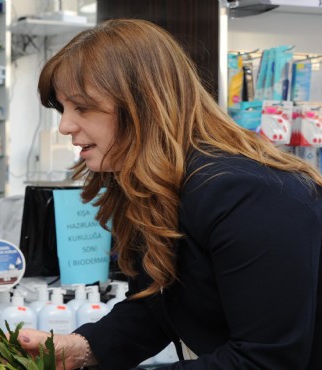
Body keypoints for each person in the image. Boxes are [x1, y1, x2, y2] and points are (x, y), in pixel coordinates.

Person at [18, 19, 322, 370]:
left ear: (142, 104)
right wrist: (83, 347)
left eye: (82, 107)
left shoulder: (249, 194)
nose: (65, 126)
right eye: (62, 108)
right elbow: (159, 302)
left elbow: (266, 360)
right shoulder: (156, 188)